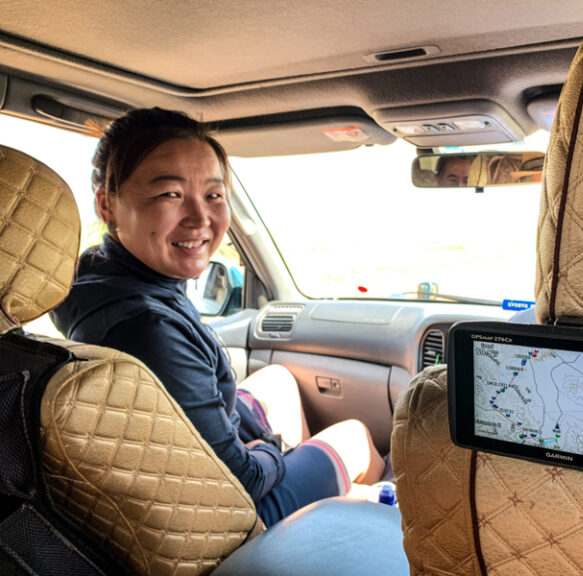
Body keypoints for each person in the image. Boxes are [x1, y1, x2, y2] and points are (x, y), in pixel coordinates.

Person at [52, 107, 384, 527]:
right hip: (222, 518)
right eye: (170, 194)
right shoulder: (147, 328)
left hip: (170, 480)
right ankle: (341, 527)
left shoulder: (92, 278)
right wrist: (274, 449)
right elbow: (240, 479)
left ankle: (316, 508)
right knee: (354, 437)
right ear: (107, 205)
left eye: (213, 195)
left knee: (277, 380)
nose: (200, 218)